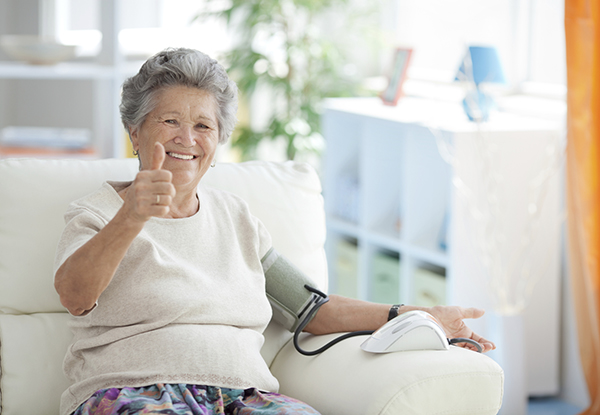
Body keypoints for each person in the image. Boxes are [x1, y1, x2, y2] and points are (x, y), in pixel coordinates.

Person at [54, 48, 495, 415]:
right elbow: (75, 295)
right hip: (135, 395)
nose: (186, 138)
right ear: (136, 130)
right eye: (170, 121)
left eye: (203, 125)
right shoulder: (98, 211)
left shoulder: (236, 218)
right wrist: (132, 215)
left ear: (218, 138)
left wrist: (418, 315)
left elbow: (311, 310)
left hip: (243, 398)